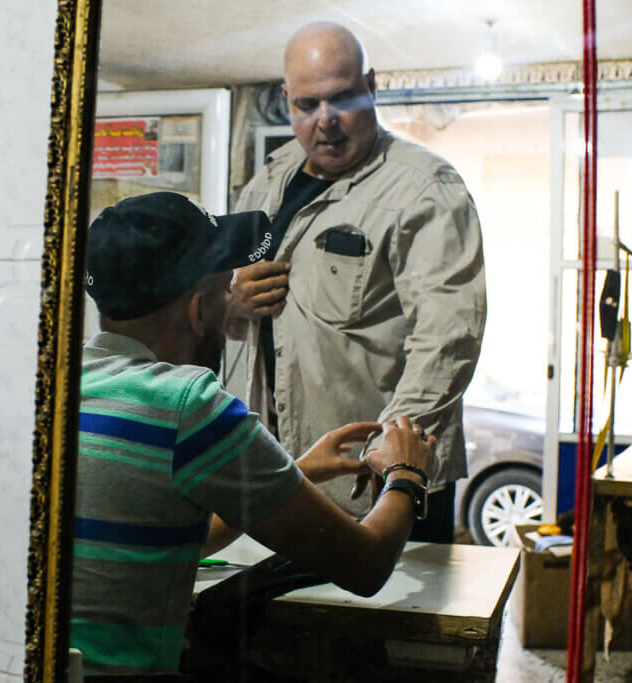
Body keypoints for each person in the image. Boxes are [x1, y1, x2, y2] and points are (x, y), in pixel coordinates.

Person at [71, 191, 435, 676]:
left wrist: (293, 476)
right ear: (199, 309)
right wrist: (406, 473)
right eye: (226, 292)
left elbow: (179, 541)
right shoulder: (189, 405)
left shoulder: (61, 390)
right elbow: (364, 566)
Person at [228, 22, 486, 542]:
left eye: (342, 98)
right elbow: (223, 304)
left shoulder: (424, 189)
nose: (326, 122)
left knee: (384, 622)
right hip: (279, 475)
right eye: (306, 105)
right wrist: (231, 300)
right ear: (285, 100)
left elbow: (448, 337)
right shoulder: (267, 182)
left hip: (370, 484)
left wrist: (392, 460)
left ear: (371, 85)